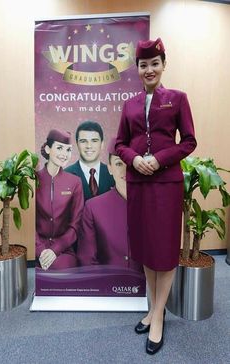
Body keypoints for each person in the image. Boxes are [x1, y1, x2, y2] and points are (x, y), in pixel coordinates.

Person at [115, 38, 197, 355]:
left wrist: (160, 158)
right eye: (143, 65)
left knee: (164, 250)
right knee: (147, 249)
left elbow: (189, 142)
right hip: (138, 184)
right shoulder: (129, 105)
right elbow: (119, 143)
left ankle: (158, 316)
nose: (149, 70)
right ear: (137, 69)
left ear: (164, 64)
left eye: (155, 63)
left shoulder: (177, 99)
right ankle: (153, 308)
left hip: (166, 184)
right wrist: (134, 159)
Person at [77, 137, 141, 271]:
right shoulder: (93, 207)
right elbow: (87, 260)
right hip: (107, 285)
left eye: (130, 164)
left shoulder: (153, 205)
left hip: (148, 286)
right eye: (118, 164)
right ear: (110, 168)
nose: (125, 171)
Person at [36, 129, 84, 270]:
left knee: (62, 268)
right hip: (38, 246)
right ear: (48, 149)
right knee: (41, 271)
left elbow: (76, 225)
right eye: (59, 148)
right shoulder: (33, 179)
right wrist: (40, 250)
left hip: (63, 249)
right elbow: (29, 220)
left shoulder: (75, 182)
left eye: (68, 150)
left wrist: (55, 249)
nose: (64, 154)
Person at [65, 121, 115, 201]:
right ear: (77, 144)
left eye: (94, 141)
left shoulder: (114, 174)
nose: (89, 146)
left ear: (102, 144)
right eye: (83, 141)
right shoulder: (65, 176)